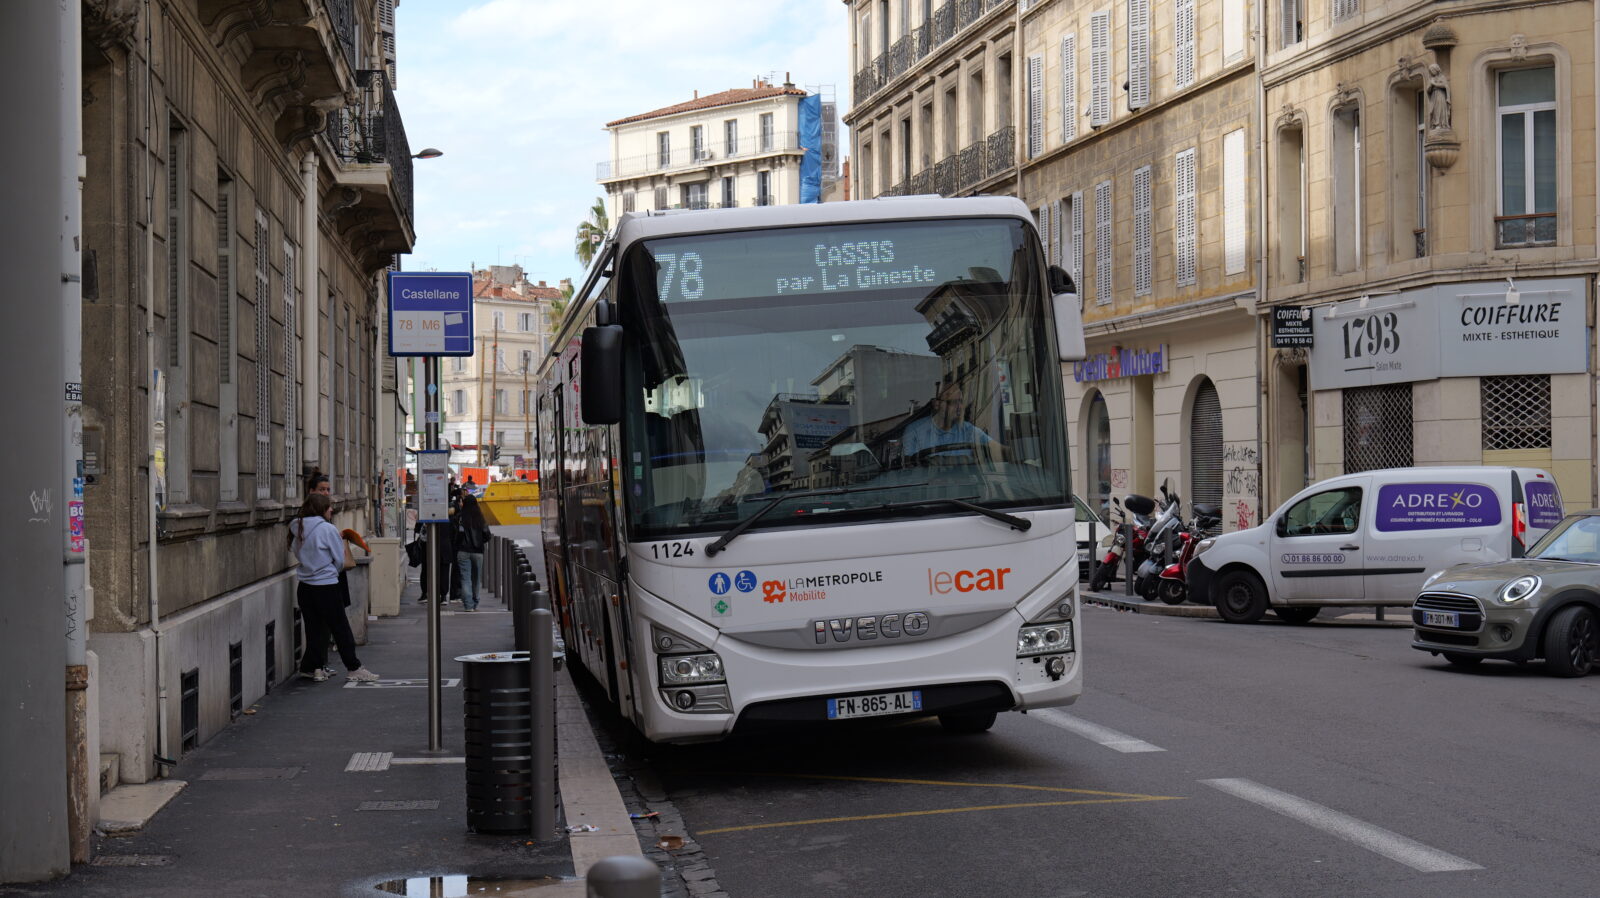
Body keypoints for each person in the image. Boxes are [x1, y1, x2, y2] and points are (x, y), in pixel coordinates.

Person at [290, 492, 379, 683]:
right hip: (326, 584)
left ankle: (312, 667)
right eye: (328, 506)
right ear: (321, 509)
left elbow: (296, 551)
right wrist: (331, 568)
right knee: (340, 628)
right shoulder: (327, 529)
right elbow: (340, 559)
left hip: (305, 585)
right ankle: (354, 667)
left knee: (314, 628)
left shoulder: (297, 527)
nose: (331, 509)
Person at [900, 380, 1003, 464]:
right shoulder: (914, 432)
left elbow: (997, 450)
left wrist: (1013, 451)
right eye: (953, 402)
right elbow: (909, 469)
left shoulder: (968, 430)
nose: (960, 407)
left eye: (961, 402)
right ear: (937, 404)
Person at [453, 494, 492, 611]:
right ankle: (475, 602)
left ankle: (468, 605)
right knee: (476, 578)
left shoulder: (460, 518)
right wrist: (479, 541)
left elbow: (456, 535)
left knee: (465, 578)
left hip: (463, 551)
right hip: (478, 552)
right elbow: (487, 535)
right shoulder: (480, 517)